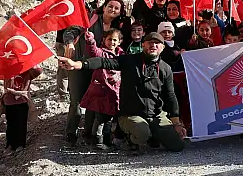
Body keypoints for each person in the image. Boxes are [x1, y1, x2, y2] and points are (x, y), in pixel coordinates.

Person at [57, 32, 186, 152]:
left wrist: (176, 123)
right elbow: (103, 62)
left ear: (163, 47)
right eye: (150, 42)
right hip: (131, 115)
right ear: (143, 45)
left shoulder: (166, 69)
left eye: (157, 43)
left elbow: (170, 95)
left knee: (177, 146)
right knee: (142, 133)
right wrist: (77, 64)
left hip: (156, 115)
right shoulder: (129, 60)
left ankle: (154, 135)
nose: (153, 45)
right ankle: (130, 137)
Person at [81, 29, 123, 150]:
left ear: (119, 42)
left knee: (109, 117)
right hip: (101, 91)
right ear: (104, 40)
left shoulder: (121, 55)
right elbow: (93, 51)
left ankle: (107, 140)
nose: (112, 42)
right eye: (109, 39)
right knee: (100, 118)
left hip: (114, 92)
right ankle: (97, 140)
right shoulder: (101, 53)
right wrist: (90, 41)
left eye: (114, 40)